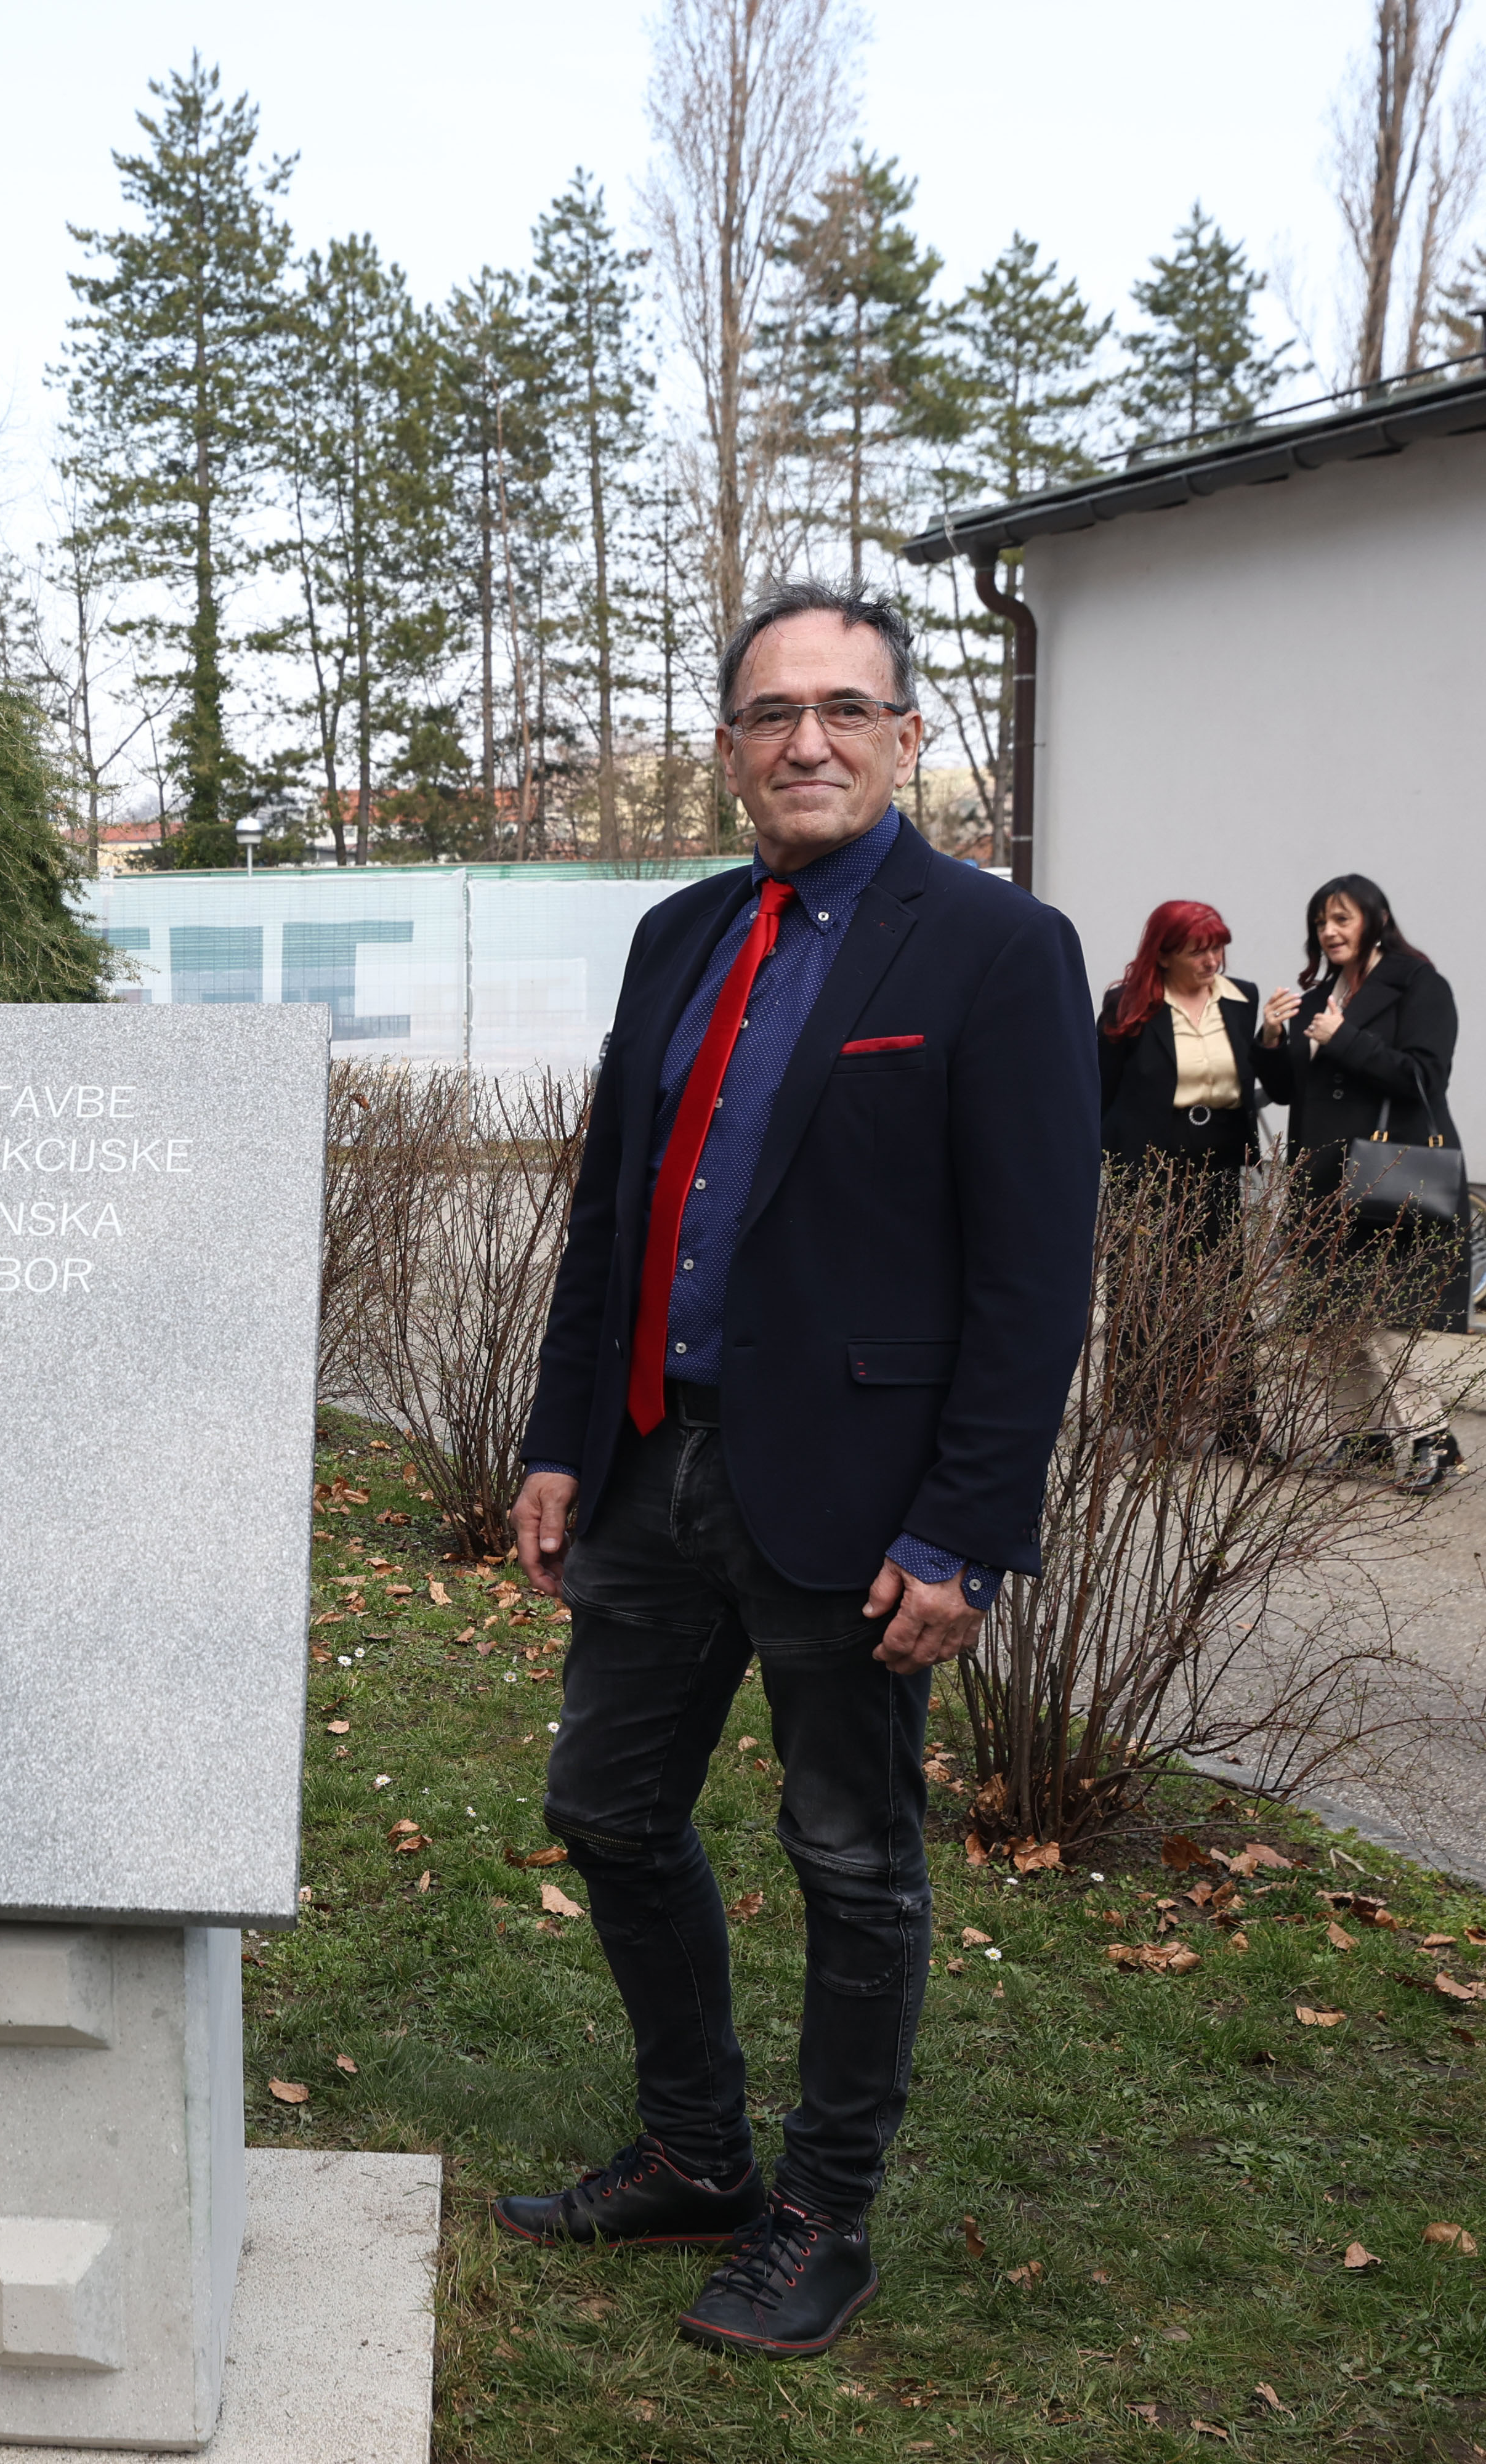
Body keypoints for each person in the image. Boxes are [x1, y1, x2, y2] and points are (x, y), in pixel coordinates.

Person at [493, 580, 1098, 2360]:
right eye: (772, 713)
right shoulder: (680, 935)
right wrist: (556, 1440)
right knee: (609, 1812)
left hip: (862, 1504)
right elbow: (612, 1215)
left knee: (852, 1861)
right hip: (656, 1471)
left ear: (908, 739)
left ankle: (822, 2211)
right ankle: (696, 2146)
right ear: (733, 747)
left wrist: (968, 1526)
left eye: (847, 709)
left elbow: (1031, 1275)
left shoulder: (997, 950)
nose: (808, 740)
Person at [1255, 875, 1464, 1493]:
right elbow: (1292, 1089)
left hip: (1386, 1179)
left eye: (1341, 918)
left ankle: (1434, 1441)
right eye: (1321, 921)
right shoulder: (1319, 995)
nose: (1329, 931)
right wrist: (1271, 1036)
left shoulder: (1419, 984)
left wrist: (1342, 1038)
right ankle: (1363, 1441)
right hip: (1321, 1184)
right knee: (1330, 1319)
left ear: (1375, 918)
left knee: (1381, 1319)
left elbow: (1425, 1075)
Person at [1095, 899, 1268, 1225]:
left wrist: (1272, 1037)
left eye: (1218, 949)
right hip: (1148, 1160)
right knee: (1146, 1271)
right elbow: (1102, 1085)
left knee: (1216, 1268)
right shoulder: (1127, 1004)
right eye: (1197, 953)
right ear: (1162, 956)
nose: (1212, 961)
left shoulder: (1242, 999)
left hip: (1222, 1158)